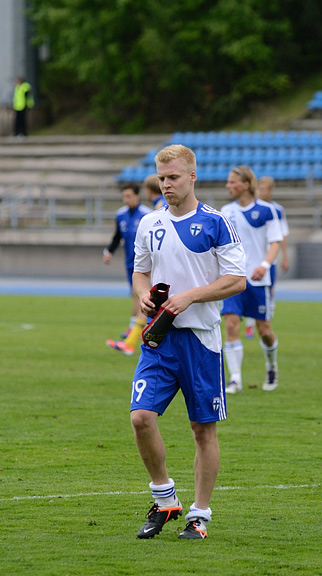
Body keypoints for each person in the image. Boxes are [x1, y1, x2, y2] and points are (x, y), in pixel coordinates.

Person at [130, 145, 246, 540]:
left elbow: (236, 280)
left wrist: (190, 296)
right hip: (159, 341)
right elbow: (140, 272)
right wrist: (144, 295)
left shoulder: (217, 223)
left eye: (174, 177)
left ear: (192, 177)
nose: (166, 185)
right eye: (162, 178)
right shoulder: (149, 223)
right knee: (141, 418)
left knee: (202, 430)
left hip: (201, 342)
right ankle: (165, 499)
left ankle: (199, 515)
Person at [220, 166, 283, 393]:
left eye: (232, 182)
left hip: (258, 281)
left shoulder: (268, 211)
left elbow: (275, 242)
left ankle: (271, 365)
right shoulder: (225, 212)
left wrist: (264, 265)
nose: (228, 186)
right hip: (233, 280)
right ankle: (235, 378)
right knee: (231, 324)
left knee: (264, 331)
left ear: (246, 184)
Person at [104, 183, 151, 355]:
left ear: (137, 196)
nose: (126, 200)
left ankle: (135, 333)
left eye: (129, 196)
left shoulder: (147, 215)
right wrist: (109, 251)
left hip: (145, 264)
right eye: (124, 196)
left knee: (141, 296)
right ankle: (133, 330)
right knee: (134, 295)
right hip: (130, 262)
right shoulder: (120, 214)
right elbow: (117, 236)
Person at [244, 176, 290, 338]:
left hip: (269, 261)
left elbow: (281, 236)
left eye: (263, 189)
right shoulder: (249, 208)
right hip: (251, 261)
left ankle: (265, 319)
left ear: (270, 190)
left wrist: (285, 256)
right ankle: (250, 326)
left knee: (268, 292)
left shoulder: (277, 210)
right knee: (248, 291)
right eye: (259, 189)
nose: (260, 192)